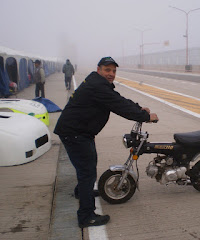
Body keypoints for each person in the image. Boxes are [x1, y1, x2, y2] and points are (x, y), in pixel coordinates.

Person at [54, 56, 158, 228]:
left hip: (78, 132)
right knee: (87, 172)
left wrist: (138, 107)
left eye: (114, 71)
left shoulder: (97, 83)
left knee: (86, 168)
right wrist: (146, 116)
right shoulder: (97, 86)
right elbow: (118, 105)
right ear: (99, 69)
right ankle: (86, 216)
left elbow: (117, 98)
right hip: (75, 134)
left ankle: (81, 192)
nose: (111, 74)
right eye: (107, 70)